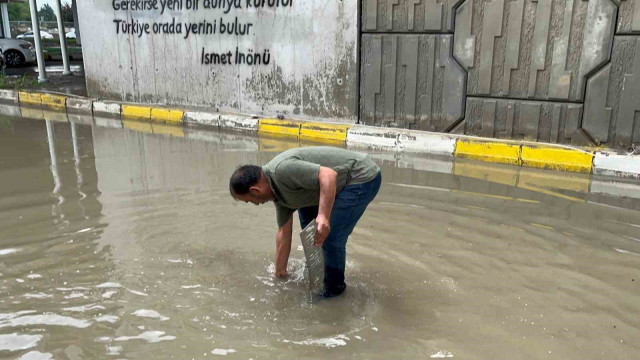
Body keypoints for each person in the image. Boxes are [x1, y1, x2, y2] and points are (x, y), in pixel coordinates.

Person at [229, 146, 381, 297]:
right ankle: (320, 273)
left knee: (329, 236)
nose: (255, 204)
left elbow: (328, 175)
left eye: (249, 201)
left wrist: (323, 216)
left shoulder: (282, 170)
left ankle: (334, 291)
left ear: (255, 190)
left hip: (359, 176)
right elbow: (283, 233)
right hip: (330, 184)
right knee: (310, 231)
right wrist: (279, 274)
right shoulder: (279, 197)